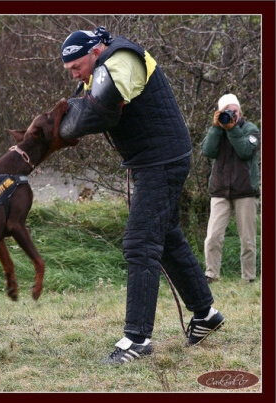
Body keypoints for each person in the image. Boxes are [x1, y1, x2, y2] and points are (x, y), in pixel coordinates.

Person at [58, 27, 224, 364]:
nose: (75, 75)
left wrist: (58, 126)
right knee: (167, 237)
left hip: (161, 161)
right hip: (155, 158)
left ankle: (137, 340)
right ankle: (205, 314)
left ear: (94, 51)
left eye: (77, 67)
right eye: (71, 71)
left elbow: (94, 111)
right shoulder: (102, 64)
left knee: (140, 242)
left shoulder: (121, 59)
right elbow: (80, 109)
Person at [201, 94, 260, 283]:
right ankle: (211, 274)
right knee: (213, 237)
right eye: (227, 111)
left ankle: (248, 277)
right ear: (219, 112)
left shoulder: (251, 129)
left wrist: (232, 129)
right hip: (220, 191)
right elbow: (207, 151)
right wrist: (216, 128)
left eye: (234, 110)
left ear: (240, 111)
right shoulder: (218, 130)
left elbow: (245, 151)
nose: (231, 114)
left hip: (245, 191)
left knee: (247, 239)